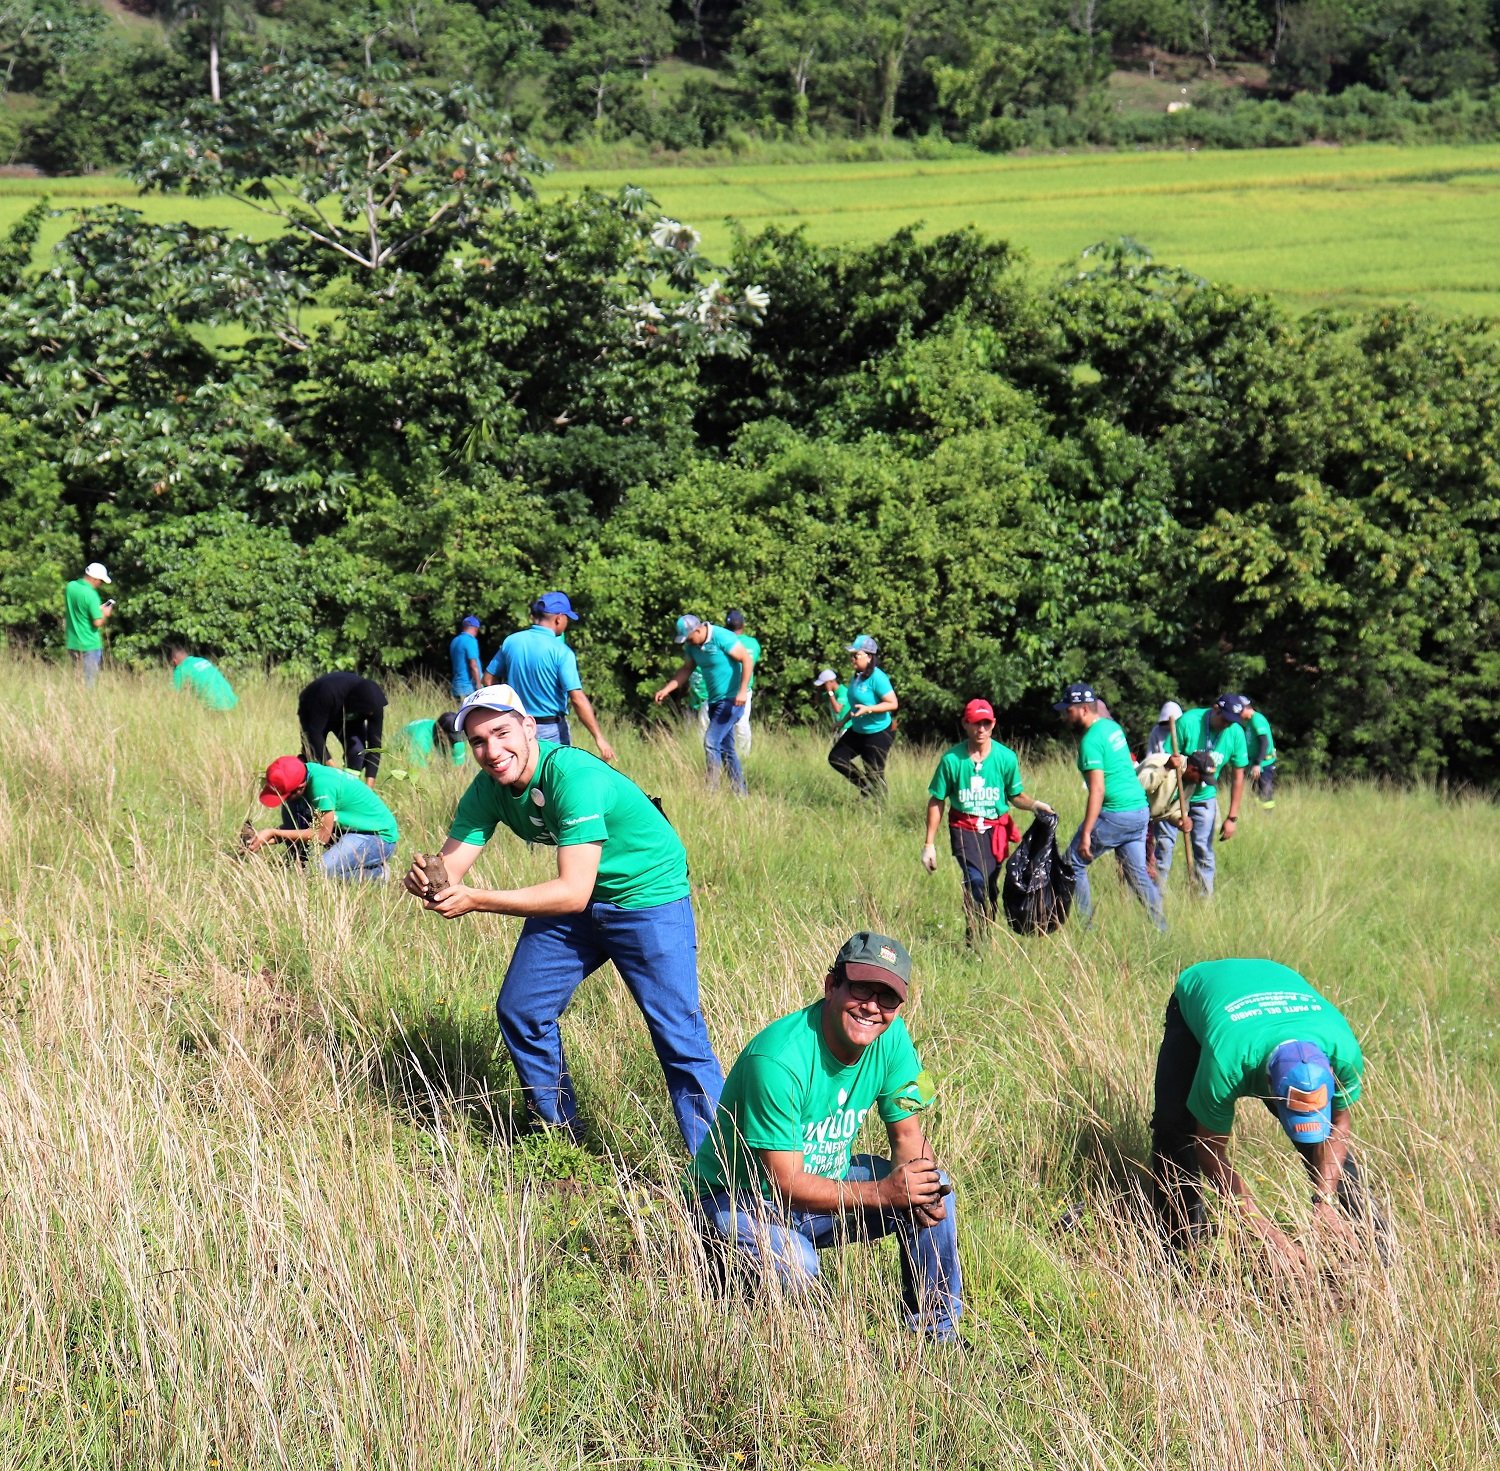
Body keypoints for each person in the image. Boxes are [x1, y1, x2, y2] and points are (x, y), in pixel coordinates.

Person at [403, 684, 724, 1152]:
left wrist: (477, 899)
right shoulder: (487, 789)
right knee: (523, 1010)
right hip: (582, 901)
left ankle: (722, 1172)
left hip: (647, 897)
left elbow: (572, 893)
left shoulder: (573, 777)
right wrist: (427, 882)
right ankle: (560, 1142)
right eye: (478, 741)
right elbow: (450, 868)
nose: (492, 751)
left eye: (502, 733)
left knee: (678, 1035)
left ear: (529, 727)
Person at [687, 932, 962, 1344]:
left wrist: (920, 1189)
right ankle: (719, 1277)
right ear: (832, 985)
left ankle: (937, 1335)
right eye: (861, 989)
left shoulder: (891, 1038)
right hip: (736, 1198)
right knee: (797, 1264)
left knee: (932, 1185)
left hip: (821, 1187)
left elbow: (908, 1136)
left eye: (887, 998)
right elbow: (785, 1183)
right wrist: (883, 1193)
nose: (872, 1007)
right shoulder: (778, 1059)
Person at [1151, 957, 1382, 1271]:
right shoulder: (1229, 1061)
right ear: (1268, 1085)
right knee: (1174, 1126)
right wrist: (1260, 1226)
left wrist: (1324, 1201)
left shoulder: (1343, 1054)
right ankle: (1180, 1253)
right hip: (1206, 988)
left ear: (1330, 1075)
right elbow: (1209, 1149)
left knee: (1321, 1137)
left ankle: (1374, 1247)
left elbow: (1338, 1126)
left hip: (1276, 981)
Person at [921, 698, 1055, 941]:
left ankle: (983, 934)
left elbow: (1015, 795)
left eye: (986, 723)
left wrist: (1035, 805)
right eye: (975, 723)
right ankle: (974, 935)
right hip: (964, 827)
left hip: (995, 830)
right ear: (965, 724)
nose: (981, 729)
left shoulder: (1006, 758)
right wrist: (929, 844)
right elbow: (937, 800)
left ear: (993, 724)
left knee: (990, 887)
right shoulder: (952, 760)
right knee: (975, 880)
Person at [1055, 683, 1165, 931]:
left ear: (1083, 709)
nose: (1065, 715)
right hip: (1140, 811)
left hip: (1117, 813)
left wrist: (1086, 832)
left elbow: (1098, 789)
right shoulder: (1112, 728)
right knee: (1138, 875)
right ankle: (1161, 929)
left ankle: (1086, 929)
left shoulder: (1090, 742)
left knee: (1072, 863)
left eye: (1068, 710)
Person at [483, 592, 615, 762]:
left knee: (522, 774)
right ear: (559, 619)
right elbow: (577, 699)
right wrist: (599, 738)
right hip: (551, 730)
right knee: (554, 774)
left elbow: (488, 679)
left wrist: (502, 712)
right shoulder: (562, 652)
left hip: (517, 725)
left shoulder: (511, 641)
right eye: (567, 618)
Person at [1150, 694, 1249, 897]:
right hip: (1175, 796)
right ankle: (1156, 899)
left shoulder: (1235, 733)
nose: (1227, 725)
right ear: (1215, 709)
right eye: (1225, 719)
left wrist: (1232, 817)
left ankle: (1203, 901)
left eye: (1232, 722)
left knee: (1203, 850)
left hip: (1204, 798)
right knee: (1164, 847)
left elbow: (1238, 776)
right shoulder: (1188, 722)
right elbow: (1166, 759)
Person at [249, 755, 400, 880]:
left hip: (377, 837)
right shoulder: (303, 774)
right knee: (294, 810)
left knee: (316, 874)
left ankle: (378, 874)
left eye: (286, 795)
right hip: (346, 829)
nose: (284, 800)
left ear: (300, 787)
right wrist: (262, 840)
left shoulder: (321, 785)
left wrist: (274, 832)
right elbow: (301, 828)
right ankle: (300, 862)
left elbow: (321, 836)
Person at [653, 614, 753, 796]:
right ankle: (741, 793)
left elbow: (746, 659)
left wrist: (742, 691)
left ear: (698, 630)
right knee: (727, 749)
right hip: (714, 700)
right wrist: (666, 689)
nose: (688, 642)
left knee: (711, 741)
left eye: (689, 638)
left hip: (731, 700)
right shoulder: (692, 647)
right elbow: (686, 669)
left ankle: (710, 792)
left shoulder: (721, 637)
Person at [828, 635, 898, 799]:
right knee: (837, 758)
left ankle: (880, 806)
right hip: (858, 730)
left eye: (856, 655)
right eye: (851, 655)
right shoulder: (857, 676)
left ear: (869, 656)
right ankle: (865, 787)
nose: (852, 659)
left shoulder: (878, 678)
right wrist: (842, 721)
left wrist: (869, 709)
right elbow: (855, 704)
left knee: (874, 773)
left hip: (878, 733)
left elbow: (893, 704)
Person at [297, 671, 388, 784]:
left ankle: (350, 786)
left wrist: (368, 788)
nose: (370, 714)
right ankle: (301, 787)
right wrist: (335, 773)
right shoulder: (327, 694)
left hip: (347, 714)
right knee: (313, 756)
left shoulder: (375, 705)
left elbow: (375, 745)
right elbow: (314, 735)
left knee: (357, 752)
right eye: (367, 711)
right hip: (314, 705)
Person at [1136, 748, 1214, 881]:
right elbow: (1139, 786)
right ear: (1192, 769)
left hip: (1147, 820)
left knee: (1145, 867)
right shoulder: (1160, 761)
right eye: (1201, 778)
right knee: (1135, 864)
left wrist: (1180, 819)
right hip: (1128, 812)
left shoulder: (1190, 783)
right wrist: (1166, 768)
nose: (1200, 782)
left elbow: (1173, 809)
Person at [64, 561, 114, 687]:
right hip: (90, 644)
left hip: (73, 642)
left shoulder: (70, 587)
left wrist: (97, 609)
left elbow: (80, 609)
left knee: (77, 680)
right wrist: (105, 613)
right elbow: (97, 622)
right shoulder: (92, 594)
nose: (100, 584)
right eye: (100, 581)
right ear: (94, 578)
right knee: (89, 683)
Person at [724, 610, 761, 757]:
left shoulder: (724, 641)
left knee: (722, 724)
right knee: (742, 724)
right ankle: (744, 755)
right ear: (743, 625)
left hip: (726, 688)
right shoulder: (753, 643)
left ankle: (726, 755)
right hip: (745, 689)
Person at [168, 645, 237, 710]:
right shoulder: (202, 660)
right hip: (233, 703)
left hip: (214, 707)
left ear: (174, 661)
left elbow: (172, 695)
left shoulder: (181, 669)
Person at [1241, 699, 1279, 809]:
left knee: (1265, 790)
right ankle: (1256, 812)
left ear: (1246, 708)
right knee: (1255, 792)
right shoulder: (1249, 721)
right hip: (1255, 763)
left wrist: (1258, 763)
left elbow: (1264, 742)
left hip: (1263, 763)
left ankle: (1268, 814)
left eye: (1239, 711)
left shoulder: (1257, 719)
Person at [397, 711, 467, 770]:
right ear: (440, 733)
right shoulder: (419, 740)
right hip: (399, 752)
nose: (455, 743)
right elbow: (418, 772)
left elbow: (458, 770)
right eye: (451, 739)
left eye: (456, 738)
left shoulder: (458, 742)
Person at [449, 615, 483, 700]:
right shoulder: (470, 641)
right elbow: (473, 665)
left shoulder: (455, 641)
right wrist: (479, 686)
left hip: (456, 688)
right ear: (475, 628)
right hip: (468, 689)